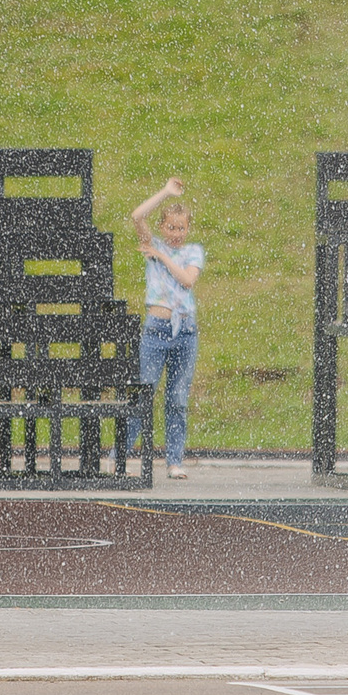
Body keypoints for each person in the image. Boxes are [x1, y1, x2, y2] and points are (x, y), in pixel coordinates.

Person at [126, 177, 204, 480]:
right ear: (163, 228)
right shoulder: (153, 244)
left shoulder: (192, 251)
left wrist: (162, 257)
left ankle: (174, 461)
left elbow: (187, 280)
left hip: (185, 330)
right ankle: (120, 455)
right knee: (144, 392)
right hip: (157, 329)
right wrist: (166, 192)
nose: (176, 234)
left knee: (177, 398)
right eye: (171, 228)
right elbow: (137, 216)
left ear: (188, 229)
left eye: (181, 228)